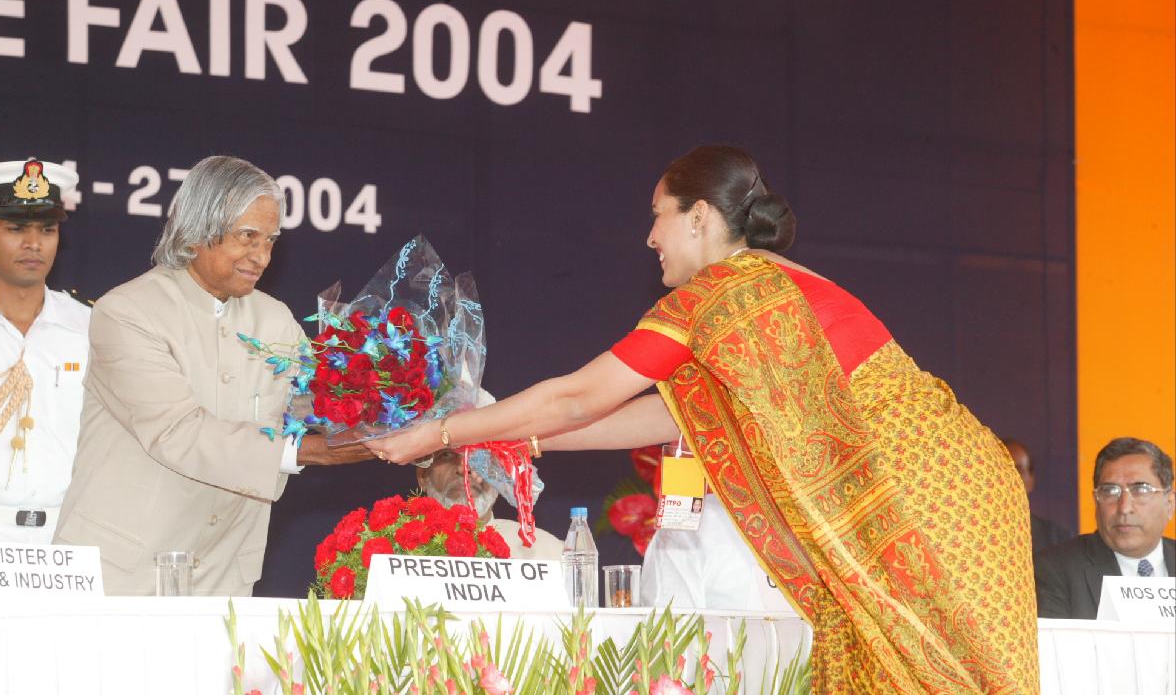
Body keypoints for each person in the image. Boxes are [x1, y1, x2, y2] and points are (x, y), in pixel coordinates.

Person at [379, 145, 1039, 693]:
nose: (649, 237)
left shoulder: (723, 294)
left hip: (922, 500)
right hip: (966, 491)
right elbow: (658, 418)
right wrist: (510, 434)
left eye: (657, 215)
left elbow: (579, 397)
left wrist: (440, 433)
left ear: (699, 216)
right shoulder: (764, 287)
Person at [54, 156, 372, 595]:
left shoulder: (274, 320)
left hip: (222, 577)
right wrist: (309, 452)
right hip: (124, 575)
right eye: (248, 237)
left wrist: (410, 414)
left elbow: (319, 406)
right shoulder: (126, 312)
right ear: (197, 230)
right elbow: (179, 433)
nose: (262, 256)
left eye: (270, 241)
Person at [0, 159, 89, 544]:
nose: (34, 244)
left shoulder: (91, 327)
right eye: (16, 228)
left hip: (66, 537)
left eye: (47, 229)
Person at [1034, 437, 1175, 619]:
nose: (1124, 508)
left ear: (1169, 504)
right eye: (1110, 491)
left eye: (1140, 489)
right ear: (1096, 502)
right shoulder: (1054, 570)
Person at [417, 448, 563, 560]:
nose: (464, 468)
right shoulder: (403, 548)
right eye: (446, 455)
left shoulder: (548, 553)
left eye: (481, 455)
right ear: (422, 476)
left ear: (502, 475)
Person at [1002, 437, 1073, 552]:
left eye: (1018, 470)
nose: (1010, 478)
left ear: (1031, 481)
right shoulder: (974, 532)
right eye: (1003, 470)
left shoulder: (1057, 539)